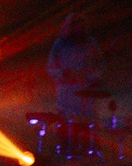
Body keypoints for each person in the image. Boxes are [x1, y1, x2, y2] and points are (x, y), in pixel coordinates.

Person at [47, 14, 111, 151]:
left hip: (86, 93)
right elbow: (51, 67)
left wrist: (92, 77)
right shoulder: (59, 45)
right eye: (75, 24)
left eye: (81, 24)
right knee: (67, 122)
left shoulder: (90, 43)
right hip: (66, 94)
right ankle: (66, 149)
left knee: (87, 122)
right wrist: (65, 73)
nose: (79, 27)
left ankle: (89, 149)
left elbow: (100, 64)